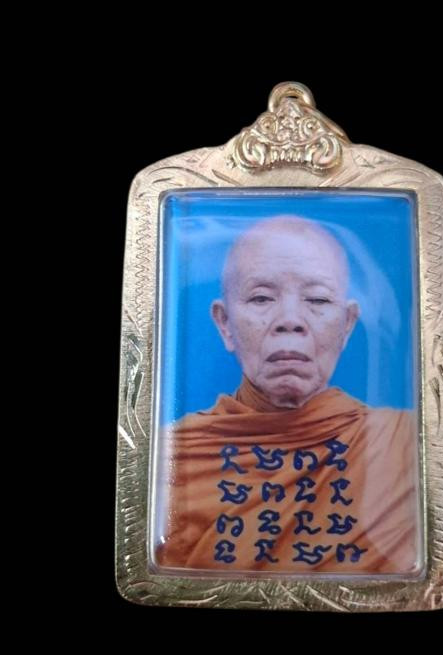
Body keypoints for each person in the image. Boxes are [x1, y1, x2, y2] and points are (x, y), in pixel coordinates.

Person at [155, 215, 420, 574]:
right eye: (262, 298)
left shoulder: (404, 447)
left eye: (317, 299)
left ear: (346, 326)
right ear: (224, 323)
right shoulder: (172, 458)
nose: (290, 320)